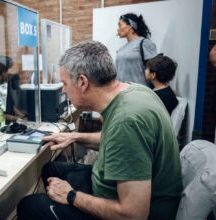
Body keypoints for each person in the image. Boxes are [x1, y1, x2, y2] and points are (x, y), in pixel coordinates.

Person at [17, 41, 182, 220]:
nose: (63, 90)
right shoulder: (135, 91)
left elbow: (133, 215)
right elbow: (119, 142)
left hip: (139, 211)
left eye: (64, 84)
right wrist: (75, 136)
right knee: (51, 168)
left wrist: (71, 196)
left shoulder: (127, 120)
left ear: (82, 82)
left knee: (29, 206)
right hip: (120, 190)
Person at [116, 13, 157, 86]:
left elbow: (155, 70)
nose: (118, 29)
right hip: (122, 92)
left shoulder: (144, 43)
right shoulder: (121, 49)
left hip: (140, 91)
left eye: (120, 25)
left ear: (130, 26)